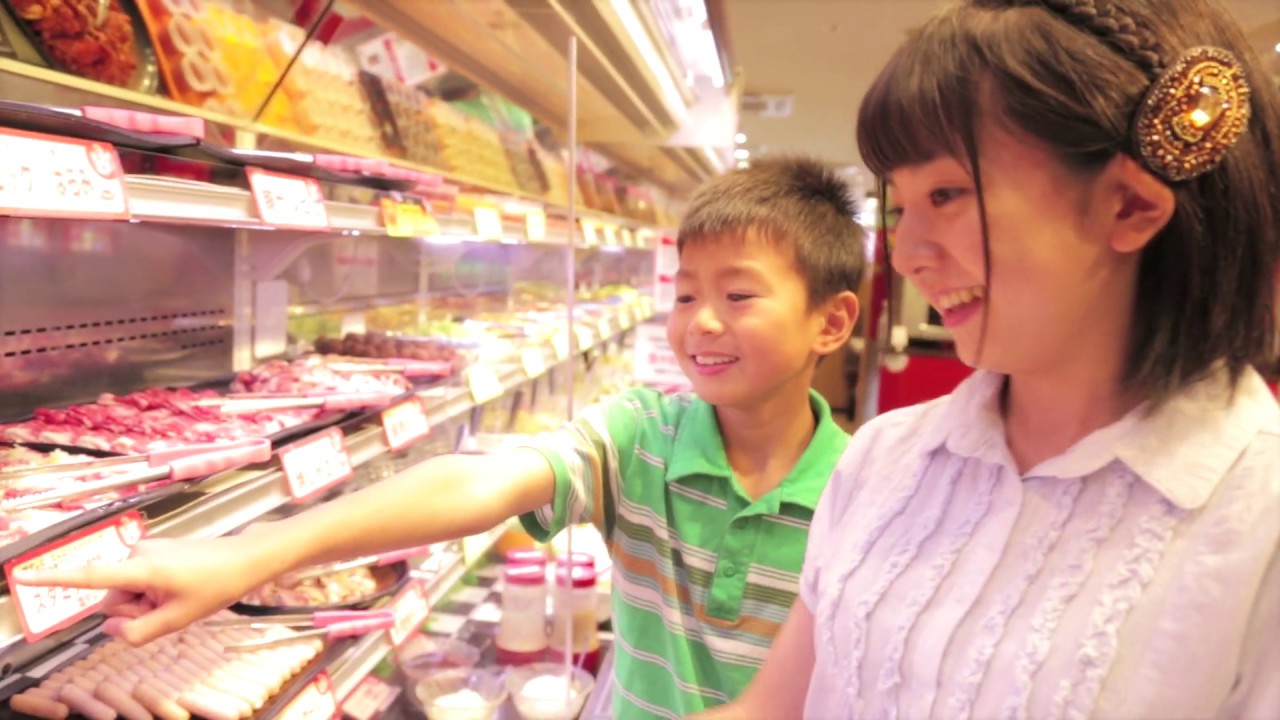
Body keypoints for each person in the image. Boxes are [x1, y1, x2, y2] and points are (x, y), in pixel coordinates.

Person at [19, 157, 864, 719]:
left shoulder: (866, 492)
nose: (701, 322)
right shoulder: (643, 434)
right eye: (685, 296)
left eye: (740, 296)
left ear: (832, 321)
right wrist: (255, 554)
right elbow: (479, 482)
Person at [696, 1, 1279, 718]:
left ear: (1130, 206)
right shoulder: (885, 459)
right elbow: (773, 709)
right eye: (900, 206)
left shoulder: (1258, 521)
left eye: (946, 194)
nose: (906, 256)